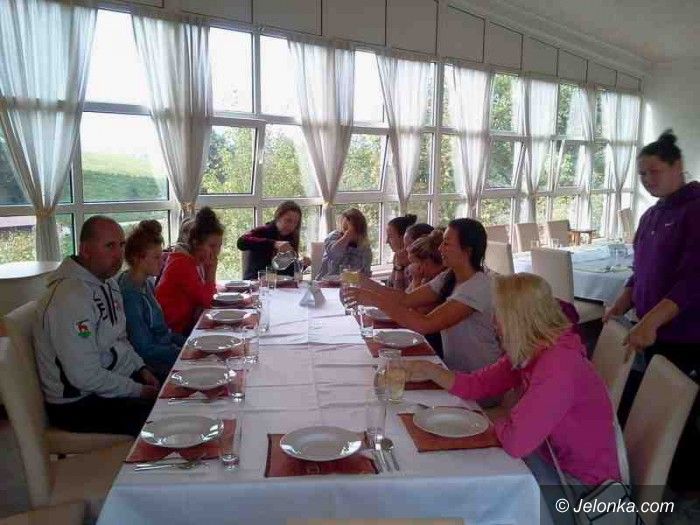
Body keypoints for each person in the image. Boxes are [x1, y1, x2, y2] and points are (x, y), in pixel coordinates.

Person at [404, 273, 621, 503]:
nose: (493, 321)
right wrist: (430, 371)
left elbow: (516, 441)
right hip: (547, 456)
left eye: (498, 314)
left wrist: (489, 421)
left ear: (517, 320)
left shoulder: (558, 365)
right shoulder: (534, 350)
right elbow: (478, 384)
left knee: (474, 489)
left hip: (582, 487)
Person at [605, 130, 700, 491]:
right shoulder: (651, 216)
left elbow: (693, 281)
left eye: (654, 171)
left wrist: (652, 320)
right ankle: (659, 471)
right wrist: (622, 301)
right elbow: (641, 271)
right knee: (653, 402)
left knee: (678, 409)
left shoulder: (694, 211)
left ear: (678, 166)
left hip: (686, 334)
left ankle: (681, 485)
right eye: (642, 174)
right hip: (653, 330)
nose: (647, 180)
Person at [33, 216, 160, 437]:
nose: (118, 254)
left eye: (121, 245)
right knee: (165, 416)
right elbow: (84, 377)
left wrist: (141, 369)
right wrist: (138, 390)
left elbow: (120, 339)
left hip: (110, 382)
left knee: (179, 388)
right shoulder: (68, 298)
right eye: (110, 246)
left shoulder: (108, 283)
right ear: (85, 250)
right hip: (78, 404)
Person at [350, 219, 501, 377]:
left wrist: (375, 299)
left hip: (480, 378)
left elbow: (425, 324)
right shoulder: (449, 276)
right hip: (453, 372)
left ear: (467, 251)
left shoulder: (478, 287)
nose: (440, 248)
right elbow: (406, 299)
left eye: (446, 244)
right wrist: (366, 283)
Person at [118, 220, 185, 381]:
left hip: (166, 351)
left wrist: (188, 343)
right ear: (137, 258)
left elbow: (163, 331)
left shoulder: (146, 283)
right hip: (153, 366)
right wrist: (183, 353)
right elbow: (144, 349)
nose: (162, 262)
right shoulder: (130, 295)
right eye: (156, 257)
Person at [156, 207, 224, 336]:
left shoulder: (196, 261)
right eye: (212, 246)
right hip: (172, 332)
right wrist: (211, 271)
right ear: (196, 243)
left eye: (219, 246)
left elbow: (206, 298)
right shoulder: (181, 263)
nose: (216, 251)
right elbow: (207, 301)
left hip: (187, 325)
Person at [237, 201, 305, 280]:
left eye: (295, 222)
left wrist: (301, 264)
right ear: (278, 217)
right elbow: (241, 242)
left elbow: (287, 270)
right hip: (256, 281)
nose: (291, 226)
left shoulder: (291, 238)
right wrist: (274, 243)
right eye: (288, 220)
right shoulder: (264, 230)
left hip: (279, 284)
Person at [317, 207, 373, 278]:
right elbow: (333, 254)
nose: (348, 232)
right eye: (345, 229)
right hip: (326, 282)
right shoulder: (333, 237)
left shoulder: (365, 248)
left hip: (351, 283)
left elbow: (365, 275)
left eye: (353, 230)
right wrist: (347, 236)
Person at [385, 214, 417, 290]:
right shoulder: (397, 257)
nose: (387, 241)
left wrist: (399, 267)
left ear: (403, 237)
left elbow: (398, 293)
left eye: (390, 236)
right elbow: (390, 286)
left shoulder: (415, 264)